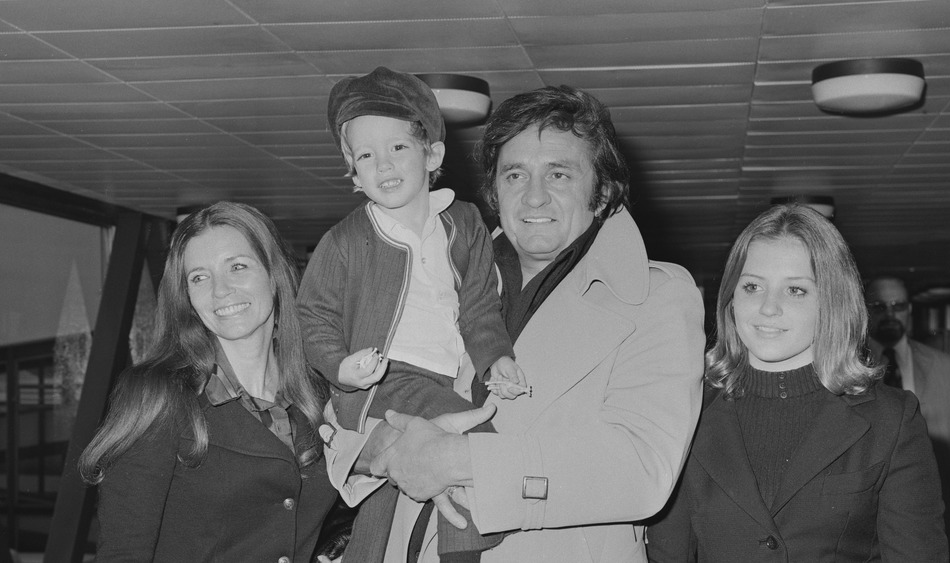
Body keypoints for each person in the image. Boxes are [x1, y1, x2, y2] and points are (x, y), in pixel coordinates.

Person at [320, 84, 705, 562]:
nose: (534, 197)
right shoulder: (436, 271)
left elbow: (642, 469)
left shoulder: (657, 296)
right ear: (494, 191)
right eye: (515, 175)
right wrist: (383, 448)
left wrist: (458, 461)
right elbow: (343, 412)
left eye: (559, 174)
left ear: (602, 191)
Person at [296, 66, 524, 563]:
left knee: (390, 495)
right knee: (472, 450)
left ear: (433, 153)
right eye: (366, 156)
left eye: (397, 147)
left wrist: (496, 358)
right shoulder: (346, 240)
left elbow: (481, 306)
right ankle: (466, 554)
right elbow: (311, 317)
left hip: (446, 378)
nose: (383, 165)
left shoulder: (465, 225)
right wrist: (339, 366)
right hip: (386, 381)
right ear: (353, 172)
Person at [646, 203, 948, 562]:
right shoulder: (686, 412)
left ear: (833, 303)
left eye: (796, 290)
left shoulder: (892, 420)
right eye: (753, 286)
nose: (768, 307)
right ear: (731, 299)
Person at [78, 201, 336, 562]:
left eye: (238, 267)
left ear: (274, 276)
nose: (220, 290)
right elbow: (123, 552)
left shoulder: (318, 393)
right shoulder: (158, 395)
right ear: (186, 298)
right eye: (199, 277)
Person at [865, 275, 950, 560]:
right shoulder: (847, 367)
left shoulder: (941, 365)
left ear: (909, 310)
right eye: (879, 306)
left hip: (928, 503)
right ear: (866, 311)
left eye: (898, 305)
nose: (890, 314)